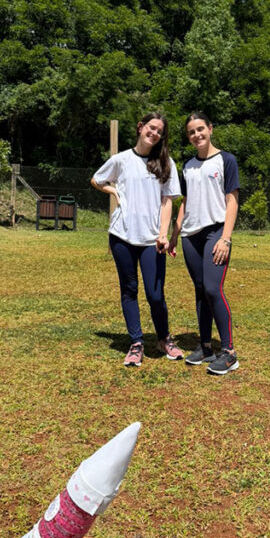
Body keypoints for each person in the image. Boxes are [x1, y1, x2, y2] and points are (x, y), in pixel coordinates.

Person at [91, 112, 183, 367]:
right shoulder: (121, 160)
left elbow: (167, 202)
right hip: (122, 236)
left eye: (160, 131)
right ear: (141, 127)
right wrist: (113, 191)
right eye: (151, 128)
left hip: (152, 239)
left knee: (155, 294)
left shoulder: (166, 163)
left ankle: (164, 339)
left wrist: (163, 234)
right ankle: (136, 343)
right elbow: (96, 180)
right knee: (129, 290)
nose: (154, 133)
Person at [172, 112, 240, 375]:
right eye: (191, 132)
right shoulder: (188, 166)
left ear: (210, 129)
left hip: (215, 232)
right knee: (200, 290)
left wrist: (225, 237)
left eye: (200, 129)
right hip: (191, 236)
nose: (196, 135)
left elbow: (232, 201)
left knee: (213, 289)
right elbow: (185, 202)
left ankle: (229, 353)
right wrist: (175, 234)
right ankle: (206, 347)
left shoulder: (226, 160)